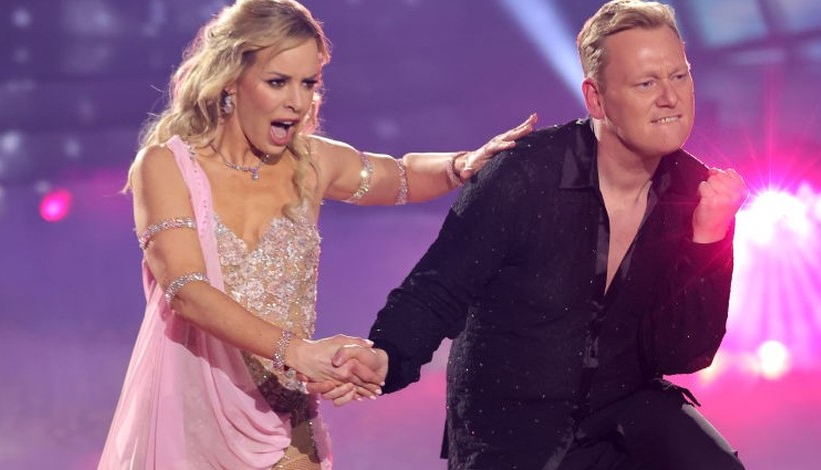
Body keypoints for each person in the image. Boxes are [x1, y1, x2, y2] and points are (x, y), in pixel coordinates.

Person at [96, 0, 536, 468]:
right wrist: (297, 352)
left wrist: (459, 166)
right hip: (188, 416)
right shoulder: (166, 165)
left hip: (282, 419)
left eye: (309, 83)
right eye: (278, 82)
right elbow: (186, 291)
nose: (298, 102)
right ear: (230, 80)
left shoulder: (312, 163)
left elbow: (402, 175)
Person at [315, 0, 749, 468]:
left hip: (625, 410)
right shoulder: (526, 174)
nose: (671, 98)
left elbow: (684, 352)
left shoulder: (699, 194)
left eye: (679, 76)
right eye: (646, 83)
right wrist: (387, 355)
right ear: (597, 98)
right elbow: (439, 286)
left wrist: (710, 237)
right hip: (512, 427)